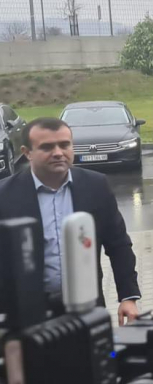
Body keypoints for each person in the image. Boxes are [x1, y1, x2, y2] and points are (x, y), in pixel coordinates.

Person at [0, 118, 141, 324]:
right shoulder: (5, 195)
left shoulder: (95, 186)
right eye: (47, 147)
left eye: (64, 145)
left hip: (85, 307)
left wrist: (128, 297)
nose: (58, 153)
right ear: (27, 152)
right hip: (25, 313)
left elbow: (118, 244)